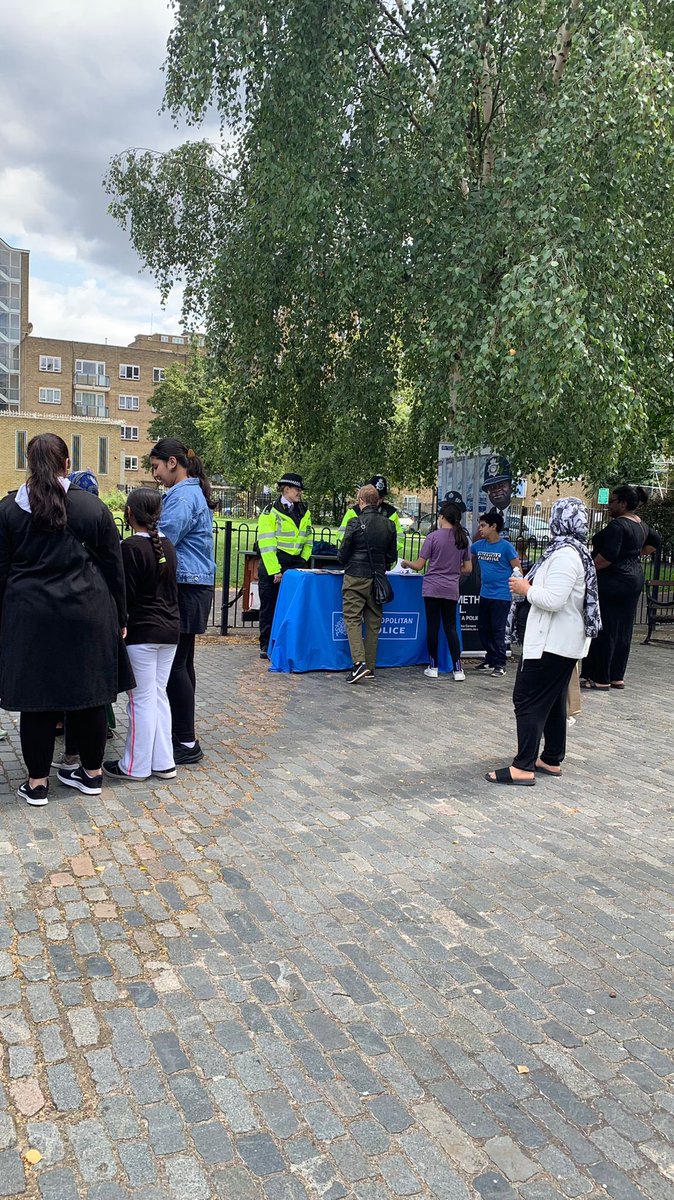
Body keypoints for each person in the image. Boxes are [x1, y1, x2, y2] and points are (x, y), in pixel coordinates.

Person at [0, 433, 133, 805]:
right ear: (67, 465)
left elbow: (1, 571)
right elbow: (113, 567)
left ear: (29, 464)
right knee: (89, 695)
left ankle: (37, 783)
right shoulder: (91, 508)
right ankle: (91, 775)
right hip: (87, 613)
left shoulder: (8, 511)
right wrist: (121, 615)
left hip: (31, 618)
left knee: (36, 700)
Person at [486, 498, 601, 785]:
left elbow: (553, 599)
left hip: (553, 643)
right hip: (559, 641)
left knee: (526, 699)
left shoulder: (565, 555)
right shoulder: (572, 551)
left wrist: (526, 589)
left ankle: (523, 766)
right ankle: (550, 758)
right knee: (552, 701)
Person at [103, 488, 180, 781]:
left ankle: (134, 766)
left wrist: (120, 622)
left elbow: (125, 595)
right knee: (158, 695)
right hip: (169, 630)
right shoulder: (168, 546)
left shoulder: (130, 548)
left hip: (143, 632)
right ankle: (164, 762)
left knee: (142, 700)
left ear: (130, 513)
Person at [149, 438, 215, 765]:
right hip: (194, 585)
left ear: (172, 462)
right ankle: (183, 735)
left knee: (176, 664)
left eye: (157, 467)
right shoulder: (190, 492)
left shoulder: (183, 495)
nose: (155, 474)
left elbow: (162, 541)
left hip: (187, 586)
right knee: (183, 663)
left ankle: (186, 742)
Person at [581, 485, 660, 690]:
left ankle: (600, 677)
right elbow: (655, 542)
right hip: (633, 578)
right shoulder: (641, 525)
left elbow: (607, 557)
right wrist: (633, 553)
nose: (609, 506)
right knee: (624, 628)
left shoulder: (618, 525)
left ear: (623, 503)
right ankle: (617, 675)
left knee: (605, 627)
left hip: (614, 579)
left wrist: (587, 570)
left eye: (612, 501)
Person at [401, 502, 472, 681]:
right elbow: (468, 568)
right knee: (451, 628)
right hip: (451, 588)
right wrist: (454, 569)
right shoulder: (462, 539)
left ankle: (433, 666)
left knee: (433, 626)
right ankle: (458, 669)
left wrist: (405, 563)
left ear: (442, 517)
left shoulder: (432, 537)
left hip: (432, 587)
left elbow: (418, 565)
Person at [338, 484, 398, 683]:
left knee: (353, 619)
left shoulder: (355, 522)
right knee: (373, 624)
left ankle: (359, 663)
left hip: (355, 576)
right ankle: (370, 667)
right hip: (378, 578)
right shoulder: (389, 524)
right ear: (378, 501)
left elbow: (342, 553)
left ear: (361, 501)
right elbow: (392, 555)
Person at [256, 472, 313, 660]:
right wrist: (275, 570)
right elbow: (266, 543)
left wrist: (303, 560)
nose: (299, 493)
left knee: (292, 605)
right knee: (269, 605)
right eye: (297, 489)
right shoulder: (270, 511)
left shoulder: (304, 511)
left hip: (295, 563)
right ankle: (266, 643)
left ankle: (287, 641)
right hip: (275, 563)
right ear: (286, 489)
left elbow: (308, 539)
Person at [471, 510, 520, 676]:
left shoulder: (506, 547)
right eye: (480, 525)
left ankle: (500, 664)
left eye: (483, 525)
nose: (480, 529)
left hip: (502, 596)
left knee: (497, 629)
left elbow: (517, 569)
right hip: (485, 594)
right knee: (483, 628)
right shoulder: (478, 546)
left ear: (494, 527)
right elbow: (465, 558)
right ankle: (490, 658)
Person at [339, 476, 404, 558]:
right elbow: (342, 535)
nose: (378, 500)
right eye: (376, 496)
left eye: (381, 497)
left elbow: (399, 539)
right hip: (359, 556)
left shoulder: (390, 513)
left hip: (377, 557)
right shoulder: (353, 511)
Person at [481, 455, 514, 533]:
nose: (497, 490)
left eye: (501, 485)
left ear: (511, 487)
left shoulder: (519, 515)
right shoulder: (487, 519)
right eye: (492, 488)